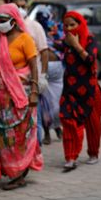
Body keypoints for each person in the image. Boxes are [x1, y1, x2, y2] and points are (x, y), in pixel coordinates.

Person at [0, 4, 43, 190]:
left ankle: (19, 174)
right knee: (2, 136)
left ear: (14, 20)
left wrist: (34, 90)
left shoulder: (25, 39)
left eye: (3, 20)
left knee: (20, 135)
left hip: (22, 97)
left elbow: (33, 66)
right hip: (0, 101)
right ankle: (11, 171)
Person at [0, 0, 49, 142]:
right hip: (4, 91)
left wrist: (42, 76)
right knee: (8, 130)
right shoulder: (1, 32)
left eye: (23, 6)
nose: (21, 9)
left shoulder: (33, 28)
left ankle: (34, 151)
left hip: (28, 84)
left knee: (33, 123)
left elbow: (44, 52)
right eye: (17, 6)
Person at [59, 11, 101, 171]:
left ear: (81, 25)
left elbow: (91, 60)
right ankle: (70, 157)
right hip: (70, 89)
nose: (69, 28)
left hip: (89, 90)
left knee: (92, 124)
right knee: (68, 121)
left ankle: (94, 153)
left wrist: (77, 46)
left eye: (73, 25)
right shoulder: (65, 42)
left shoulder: (89, 39)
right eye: (66, 25)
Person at [37, 8, 63, 145]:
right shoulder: (34, 29)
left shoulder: (56, 28)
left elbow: (63, 44)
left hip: (57, 70)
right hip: (44, 69)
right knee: (45, 104)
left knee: (57, 104)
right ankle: (47, 133)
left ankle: (57, 127)